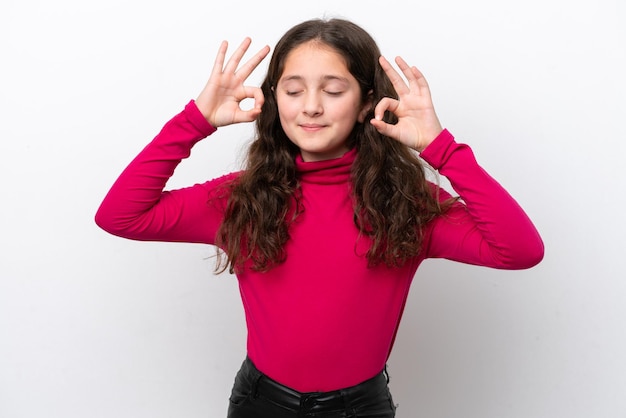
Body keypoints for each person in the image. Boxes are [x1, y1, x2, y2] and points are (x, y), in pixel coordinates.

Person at [95, 17, 544, 418]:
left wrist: (440, 148)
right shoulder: (242, 197)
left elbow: (520, 250)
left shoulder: (408, 203)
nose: (310, 106)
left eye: (332, 91)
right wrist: (195, 121)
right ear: (275, 100)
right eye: (293, 91)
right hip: (260, 404)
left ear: (367, 102)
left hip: (359, 407)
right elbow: (120, 216)